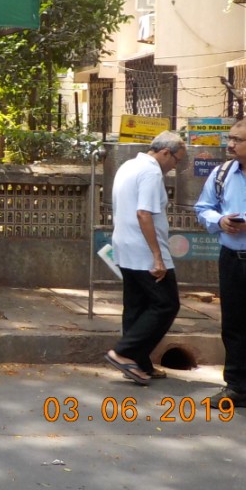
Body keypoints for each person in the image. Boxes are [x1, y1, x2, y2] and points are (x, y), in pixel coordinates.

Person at [195, 118, 246, 427]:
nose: (229, 144)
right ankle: (236, 388)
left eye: (236, 140)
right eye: (229, 138)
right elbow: (203, 207)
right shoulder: (221, 174)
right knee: (233, 324)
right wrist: (220, 221)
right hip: (231, 257)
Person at [102, 131, 186, 385]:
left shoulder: (129, 164)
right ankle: (124, 352)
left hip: (124, 245)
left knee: (137, 305)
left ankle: (139, 363)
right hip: (144, 249)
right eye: (176, 160)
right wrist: (157, 257)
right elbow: (144, 214)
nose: (175, 166)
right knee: (166, 304)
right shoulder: (150, 172)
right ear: (164, 152)